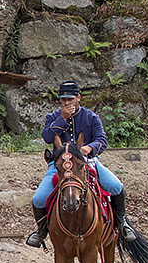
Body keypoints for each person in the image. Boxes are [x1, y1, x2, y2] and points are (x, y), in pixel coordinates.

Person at [25, 80, 137, 248]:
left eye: (70, 99)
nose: (66, 102)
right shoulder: (53, 117)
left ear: (78, 98)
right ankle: (41, 232)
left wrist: (88, 148)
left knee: (115, 186)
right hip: (59, 166)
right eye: (63, 99)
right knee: (39, 199)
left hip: (87, 163)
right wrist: (62, 119)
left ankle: (122, 223)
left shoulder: (91, 117)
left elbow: (102, 139)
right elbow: (47, 137)